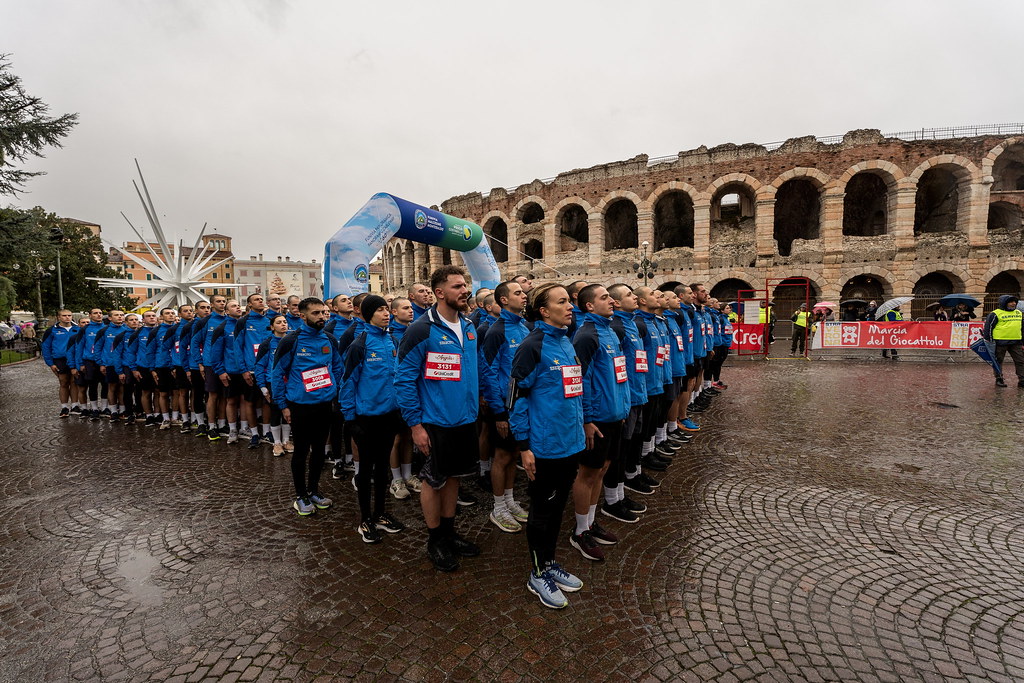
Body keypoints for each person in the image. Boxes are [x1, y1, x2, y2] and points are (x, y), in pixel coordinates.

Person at [395, 265, 481, 572]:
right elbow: (403, 380)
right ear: (440, 292)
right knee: (433, 480)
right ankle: (435, 540)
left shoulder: (469, 327)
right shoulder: (421, 329)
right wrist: (415, 425)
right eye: (458, 286)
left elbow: (474, 371)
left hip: (465, 419)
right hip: (434, 422)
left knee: (454, 476)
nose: (464, 290)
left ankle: (449, 532)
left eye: (465, 285)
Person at [509, 283, 585, 609]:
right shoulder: (532, 346)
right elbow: (515, 400)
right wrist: (524, 446)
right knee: (542, 510)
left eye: (570, 301)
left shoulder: (566, 341)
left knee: (557, 510)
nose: (571, 306)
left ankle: (550, 563)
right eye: (563, 301)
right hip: (545, 446)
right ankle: (538, 573)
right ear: (544, 310)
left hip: (571, 441)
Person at [569, 284, 631, 562]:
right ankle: (580, 531)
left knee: (603, 468)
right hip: (597, 419)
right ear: (589, 306)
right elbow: (579, 381)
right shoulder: (586, 335)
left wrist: (624, 406)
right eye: (604, 298)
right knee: (588, 472)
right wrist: (587, 419)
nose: (612, 301)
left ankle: (591, 522)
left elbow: (618, 373)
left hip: (614, 413)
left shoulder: (609, 330)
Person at [340, 294, 407, 542]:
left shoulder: (391, 340)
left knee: (382, 470)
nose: (386, 313)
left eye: (387, 309)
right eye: (379, 310)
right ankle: (365, 519)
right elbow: (347, 383)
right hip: (366, 419)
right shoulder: (360, 344)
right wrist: (351, 421)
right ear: (368, 314)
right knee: (366, 472)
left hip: (389, 416)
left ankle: (380, 513)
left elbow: (397, 378)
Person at [272, 297, 342, 516]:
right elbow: (277, 374)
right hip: (300, 405)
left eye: (323, 312)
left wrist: (336, 392)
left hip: (324, 404)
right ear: (302, 316)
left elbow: (338, 368)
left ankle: (313, 490)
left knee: (320, 450)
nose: (321, 316)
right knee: (301, 451)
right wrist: (283, 405)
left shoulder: (330, 339)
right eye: (315, 313)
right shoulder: (290, 340)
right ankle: (300, 495)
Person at [479, 279, 531, 533]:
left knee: (514, 454)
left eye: (523, 292)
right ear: (503, 300)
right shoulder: (496, 331)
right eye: (518, 293)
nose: (524, 296)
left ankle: (510, 500)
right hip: (505, 406)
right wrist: (498, 411)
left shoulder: (524, 328)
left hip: (523, 405)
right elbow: (488, 371)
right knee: (501, 456)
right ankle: (498, 506)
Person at [254, 314, 291, 455]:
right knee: (276, 412)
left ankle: (286, 440)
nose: (283, 324)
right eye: (279, 322)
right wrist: (263, 387)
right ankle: (276, 443)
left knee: (287, 412)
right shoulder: (267, 344)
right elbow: (259, 366)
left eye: (285, 322)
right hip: (273, 383)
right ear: (272, 326)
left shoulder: (293, 341)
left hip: (290, 383)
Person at [983, 295, 1024, 388]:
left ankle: (1022, 380)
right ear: (1004, 303)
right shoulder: (995, 313)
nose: (1013, 304)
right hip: (1000, 342)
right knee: (998, 361)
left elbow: (1022, 328)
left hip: (1016, 341)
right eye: (1011, 302)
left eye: (1014, 302)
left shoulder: (1019, 313)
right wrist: (989, 340)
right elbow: (988, 327)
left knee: (1020, 361)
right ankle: (999, 378)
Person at [41, 309, 76, 417]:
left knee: (74, 382)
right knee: (64, 382)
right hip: (60, 360)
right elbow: (46, 347)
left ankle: (75, 405)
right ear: (58, 317)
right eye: (64, 315)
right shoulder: (51, 330)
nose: (67, 317)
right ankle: (64, 407)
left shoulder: (78, 329)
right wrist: (50, 363)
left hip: (75, 358)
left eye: (69, 315)